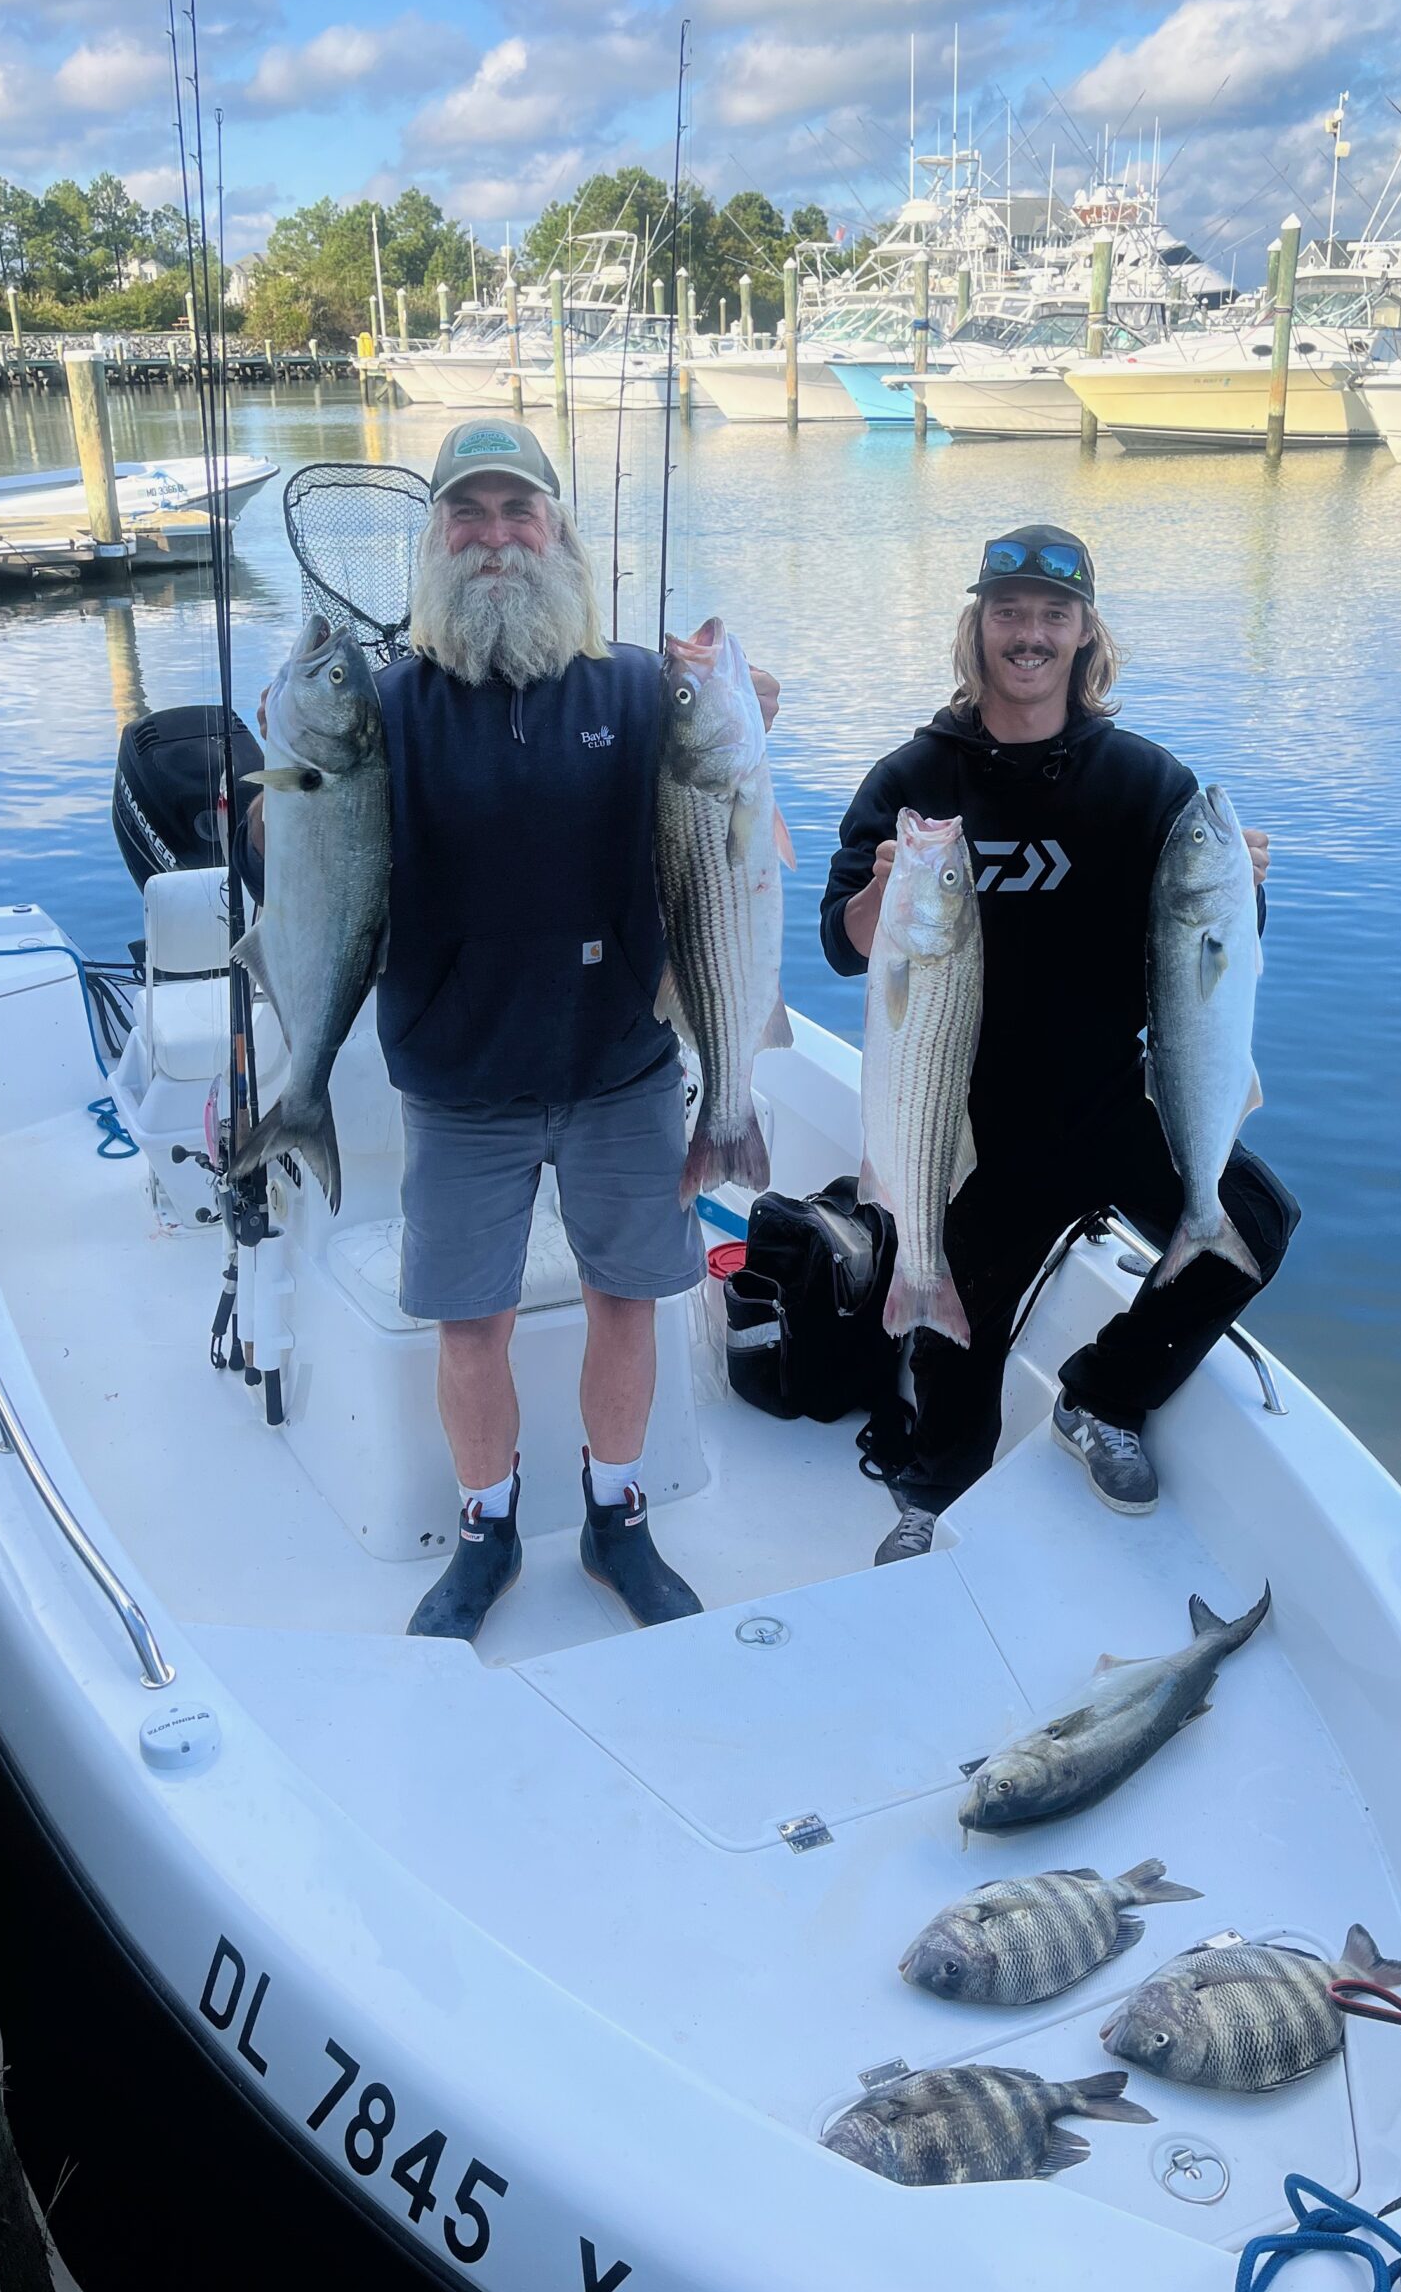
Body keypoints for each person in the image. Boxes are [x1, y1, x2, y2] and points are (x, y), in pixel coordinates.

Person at [366, 419, 774, 1645]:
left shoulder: (642, 691)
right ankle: (484, 1529)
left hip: (621, 1064)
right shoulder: (387, 706)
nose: (495, 537)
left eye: (518, 511)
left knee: (627, 1299)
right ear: (436, 538)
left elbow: (722, 805)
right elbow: (324, 867)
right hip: (459, 1076)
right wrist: (278, 804)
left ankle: (616, 1515)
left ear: (559, 531)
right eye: (468, 513)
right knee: (470, 1319)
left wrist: (754, 711)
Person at [819, 523, 1298, 1564]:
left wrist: (1243, 886)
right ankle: (935, 1493)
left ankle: (1103, 1396)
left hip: (1115, 1097)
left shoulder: (1146, 780)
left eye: (1053, 615)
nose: (1028, 635)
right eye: (1008, 613)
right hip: (964, 1116)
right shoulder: (914, 777)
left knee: (1253, 1222)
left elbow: (1213, 953)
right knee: (955, 1326)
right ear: (977, 627)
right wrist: (880, 896)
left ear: (1086, 633)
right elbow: (841, 947)